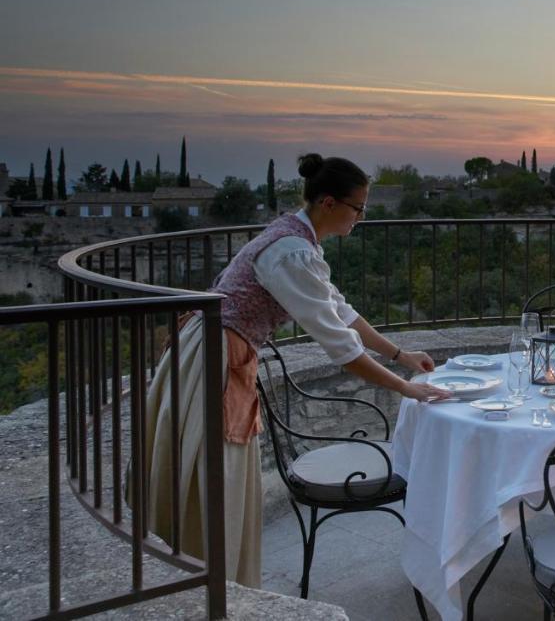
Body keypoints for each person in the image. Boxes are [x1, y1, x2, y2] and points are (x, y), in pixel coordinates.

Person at [140, 153, 451, 587]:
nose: (360, 218)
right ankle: (202, 585)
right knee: (213, 480)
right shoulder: (291, 252)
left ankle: (212, 582)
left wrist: (400, 355)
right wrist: (405, 388)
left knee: (214, 479)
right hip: (213, 358)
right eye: (358, 208)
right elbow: (341, 349)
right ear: (328, 203)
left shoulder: (300, 243)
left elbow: (342, 312)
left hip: (220, 350)